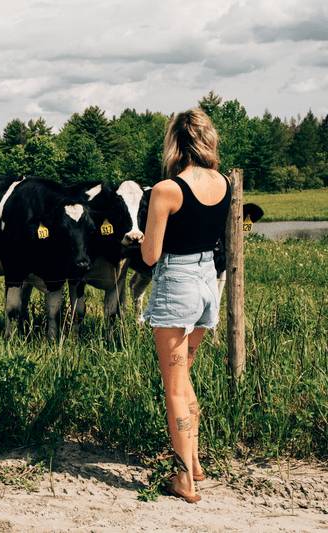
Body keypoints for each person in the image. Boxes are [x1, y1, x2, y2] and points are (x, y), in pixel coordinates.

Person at [140, 108, 231, 503]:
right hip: (208, 281)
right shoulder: (224, 183)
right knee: (185, 378)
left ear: (175, 142)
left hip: (177, 283)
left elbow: (149, 255)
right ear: (207, 138)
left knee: (174, 387)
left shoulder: (167, 189)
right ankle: (193, 463)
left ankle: (184, 481)